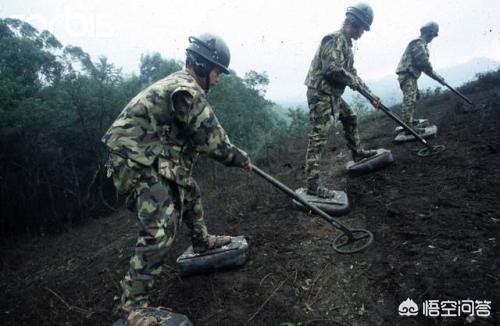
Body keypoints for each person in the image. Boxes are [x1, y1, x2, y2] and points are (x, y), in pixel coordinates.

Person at [102, 33, 252, 320]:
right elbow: (213, 141)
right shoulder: (188, 90)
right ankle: (132, 305)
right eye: (217, 72)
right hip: (134, 159)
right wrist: (241, 159)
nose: (218, 79)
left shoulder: (180, 84)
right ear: (201, 65)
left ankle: (201, 241)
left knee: (190, 190)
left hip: (149, 154)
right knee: (160, 226)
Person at [304, 3, 381, 198]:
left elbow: (351, 73)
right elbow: (331, 69)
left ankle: (357, 153)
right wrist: (351, 80)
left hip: (332, 95)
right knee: (319, 137)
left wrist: (370, 95)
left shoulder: (346, 44)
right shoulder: (335, 39)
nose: (362, 32)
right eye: (362, 28)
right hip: (321, 94)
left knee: (350, 117)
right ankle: (312, 184)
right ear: (353, 22)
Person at [396, 22, 445, 132]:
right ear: (430, 33)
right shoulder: (418, 44)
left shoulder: (421, 45)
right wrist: (438, 78)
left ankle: (408, 121)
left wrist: (438, 78)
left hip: (410, 75)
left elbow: (425, 67)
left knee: (415, 96)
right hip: (407, 75)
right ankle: (407, 126)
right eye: (433, 35)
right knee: (410, 99)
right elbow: (425, 65)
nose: (433, 38)